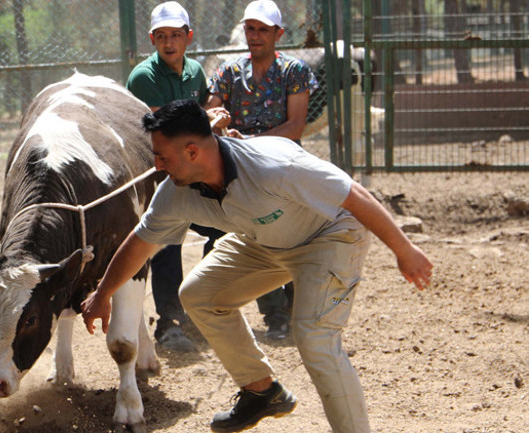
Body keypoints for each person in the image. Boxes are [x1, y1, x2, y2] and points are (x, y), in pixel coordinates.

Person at [81, 99, 433, 433]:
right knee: (200, 294)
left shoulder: (273, 166)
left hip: (329, 236)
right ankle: (262, 392)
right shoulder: (176, 191)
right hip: (264, 239)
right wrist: (102, 294)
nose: (156, 165)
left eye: (161, 156)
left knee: (314, 337)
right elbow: (140, 243)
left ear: (192, 152)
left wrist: (404, 249)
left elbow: (355, 195)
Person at [206, 0, 319, 339]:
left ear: (278, 33)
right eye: (250, 29)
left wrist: (250, 140)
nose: (255, 36)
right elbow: (211, 116)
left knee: (295, 237)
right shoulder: (227, 72)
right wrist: (219, 123)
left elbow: (296, 126)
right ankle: (275, 318)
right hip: (244, 170)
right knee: (258, 238)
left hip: (284, 166)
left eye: (263, 30)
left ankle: (298, 311)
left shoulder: (294, 71)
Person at [125, 1, 215, 352]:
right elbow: (159, 130)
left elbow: (197, 121)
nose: (169, 43)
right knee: (165, 241)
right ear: (152, 39)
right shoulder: (144, 77)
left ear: (188, 37)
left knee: (222, 231)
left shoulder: (196, 72)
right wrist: (205, 120)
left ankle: (198, 304)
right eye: (161, 36)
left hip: (194, 171)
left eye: (175, 35)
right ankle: (169, 322)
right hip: (160, 174)